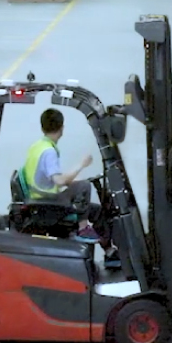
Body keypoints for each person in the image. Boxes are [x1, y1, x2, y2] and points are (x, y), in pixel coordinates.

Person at [23, 108, 114, 253]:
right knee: (84, 186)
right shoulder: (49, 151)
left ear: (42, 127)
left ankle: (109, 251)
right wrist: (81, 165)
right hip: (47, 203)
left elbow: (49, 177)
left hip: (40, 196)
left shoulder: (38, 146)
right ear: (62, 128)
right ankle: (83, 229)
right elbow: (59, 181)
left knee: (96, 210)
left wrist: (72, 181)